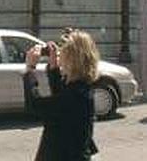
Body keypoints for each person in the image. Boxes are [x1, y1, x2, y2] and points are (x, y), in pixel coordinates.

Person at [23, 30, 100, 161]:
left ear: (72, 59)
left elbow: (34, 105)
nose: (60, 55)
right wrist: (53, 67)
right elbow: (60, 95)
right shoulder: (81, 87)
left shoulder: (76, 94)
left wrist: (30, 68)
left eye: (63, 52)